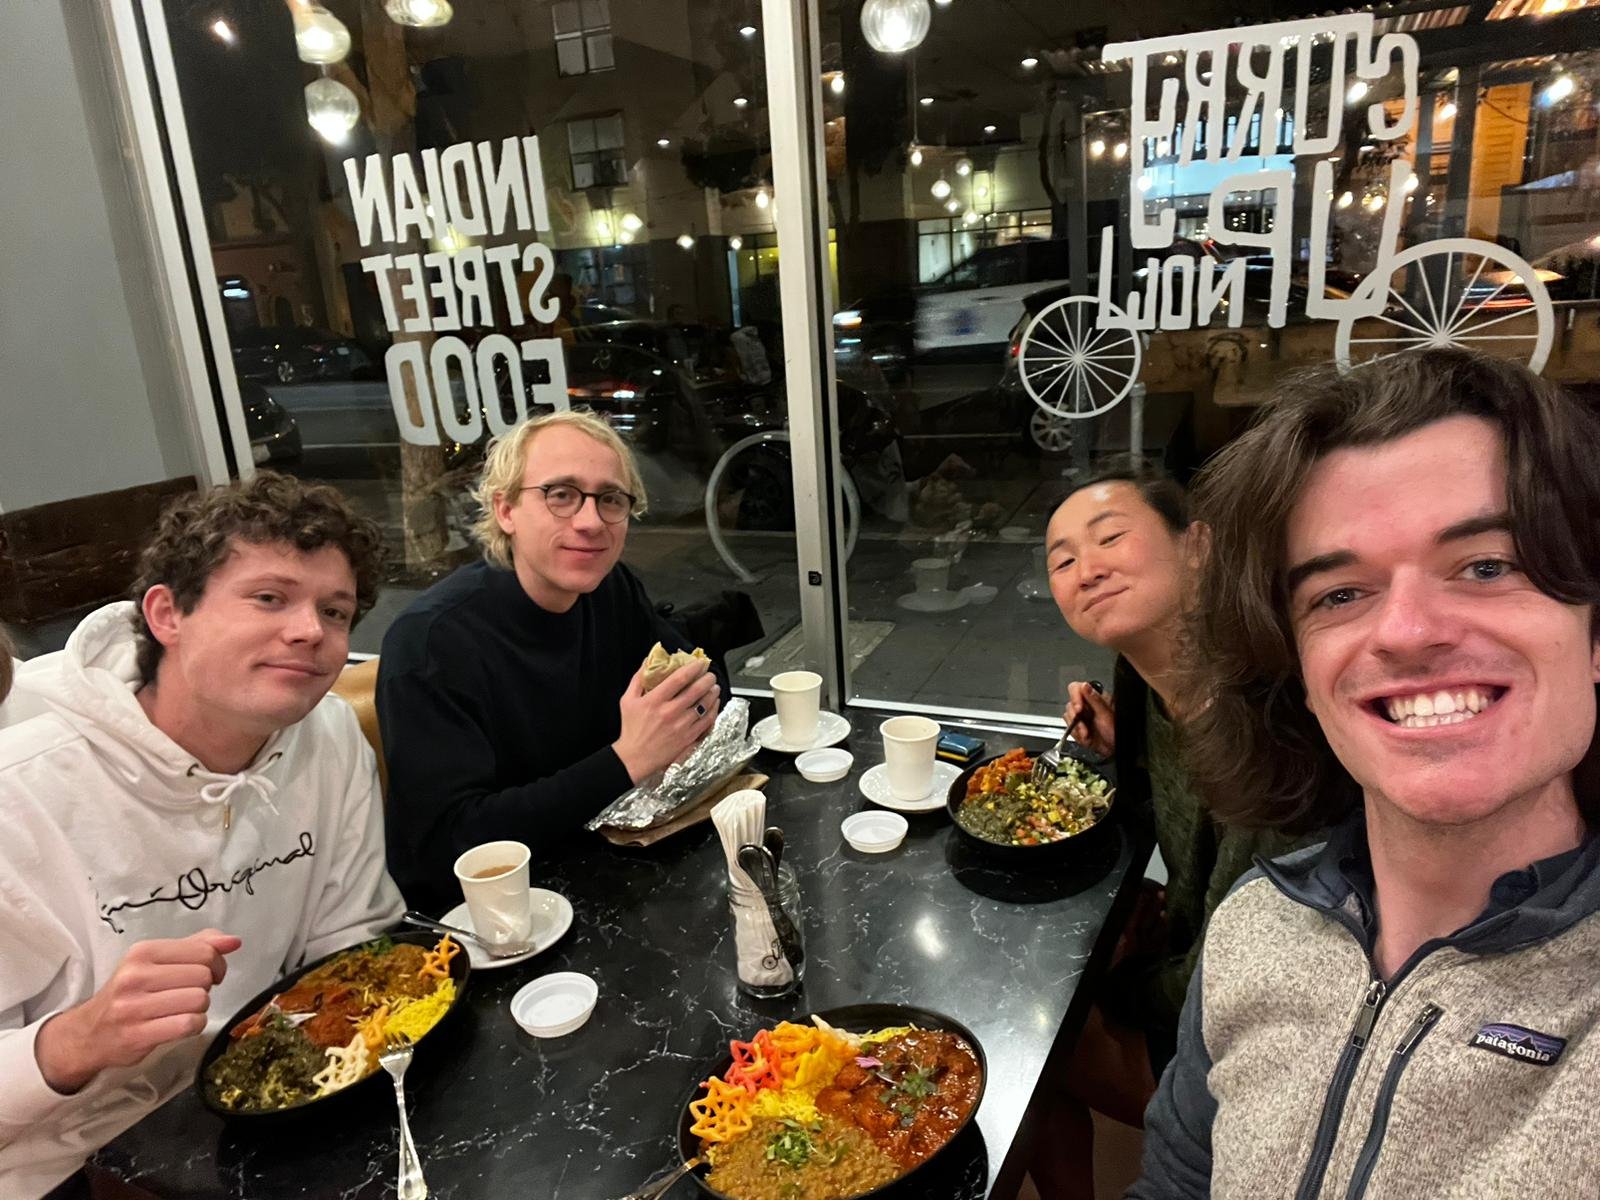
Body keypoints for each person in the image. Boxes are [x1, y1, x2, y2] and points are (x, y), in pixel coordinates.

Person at [1130, 348, 1600, 1198]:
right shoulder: (1253, 929)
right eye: (1340, 594)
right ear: (1301, 678)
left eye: (1487, 565)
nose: (1409, 631)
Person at [0, 473, 404, 1197]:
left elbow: (351, 936)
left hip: (278, 1107)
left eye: (335, 611)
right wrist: (77, 1039)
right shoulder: (19, 793)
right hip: (69, 1165)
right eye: (269, 597)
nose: (311, 631)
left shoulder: (327, 734)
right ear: (167, 614)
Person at [1032, 461, 1297, 1199]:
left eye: (1110, 537)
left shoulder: (1273, 730)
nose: (1086, 569)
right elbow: (1175, 835)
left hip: (1254, 1035)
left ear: (1199, 546)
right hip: (1194, 963)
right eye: (1062, 561)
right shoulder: (1144, 684)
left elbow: (1226, 977)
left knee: (1036, 1046)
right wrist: (1121, 758)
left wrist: (1120, 983)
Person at [379, 409, 725, 910]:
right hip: (486, 917)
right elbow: (448, 844)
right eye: (561, 494)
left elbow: (693, 688)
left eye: (610, 499)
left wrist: (692, 706)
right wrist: (627, 760)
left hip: (603, 869)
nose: (590, 522)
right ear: (505, 510)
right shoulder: (432, 643)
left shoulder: (611, 589)